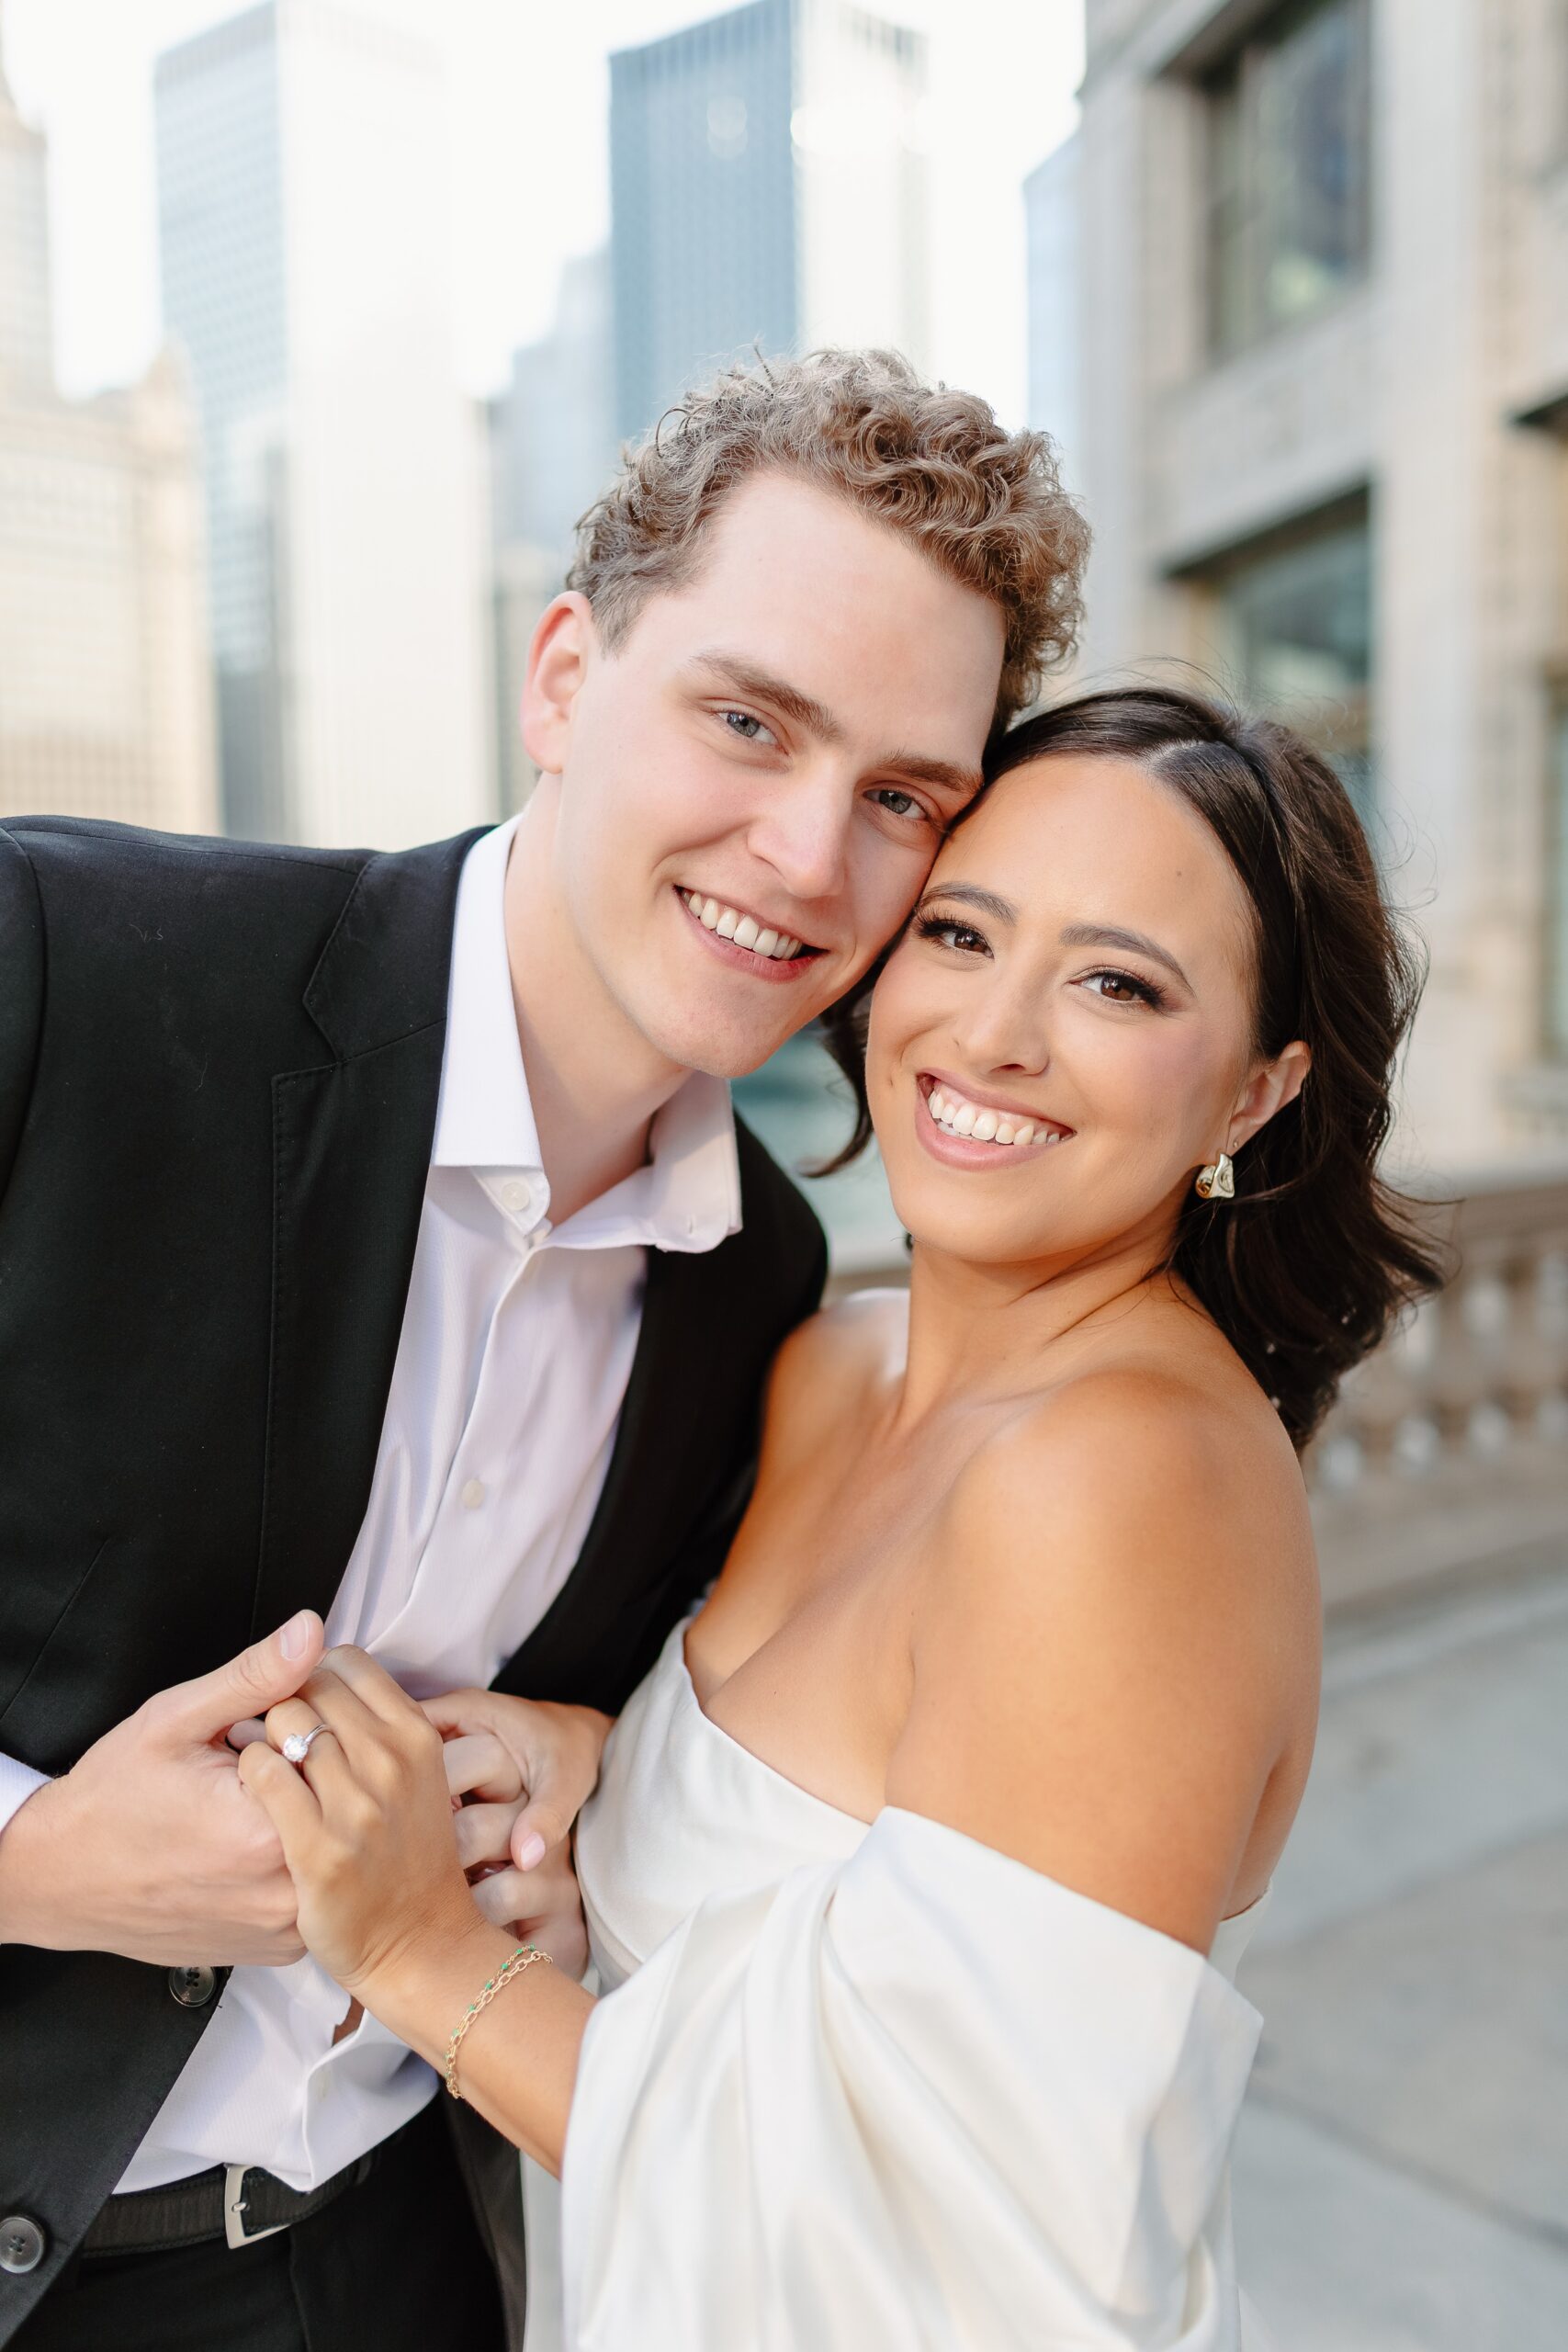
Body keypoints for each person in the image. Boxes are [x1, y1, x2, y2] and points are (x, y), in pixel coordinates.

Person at [0, 352, 1088, 2352]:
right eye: (746, 719)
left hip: (388, 2271)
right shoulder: (60, 969)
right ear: (568, 674)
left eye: (897, 798)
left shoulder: (761, 1286)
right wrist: (28, 1859)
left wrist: (609, 1770)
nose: (801, 854)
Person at [236, 685, 1445, 2349]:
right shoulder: (838, 1361)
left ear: (1255, 1093)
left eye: (1116, 981)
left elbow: (924, 2239)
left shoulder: (1122, 1485)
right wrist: (608, 1775)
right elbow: (819, 1891)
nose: (996, 1035)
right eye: (961, 931)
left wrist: (412, 1948)